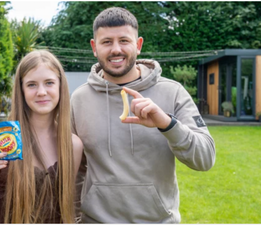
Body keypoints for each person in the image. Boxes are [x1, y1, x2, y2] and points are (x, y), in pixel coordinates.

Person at [71, 7, 216, 223]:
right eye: (107, 42)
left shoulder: (172, 92)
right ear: (94, 47)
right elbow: (74, 170)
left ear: (138, 45)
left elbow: (205, 159)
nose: (116, 49)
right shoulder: (79, 99)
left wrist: (166, 124)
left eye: (124, 40)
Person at [0, 50, 83, 223]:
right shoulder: (0, 140)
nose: (41, 92)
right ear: (21, 90)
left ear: (60, 86)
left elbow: (67, 211)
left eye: (49, 83)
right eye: (31, 84)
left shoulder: (72, 145)